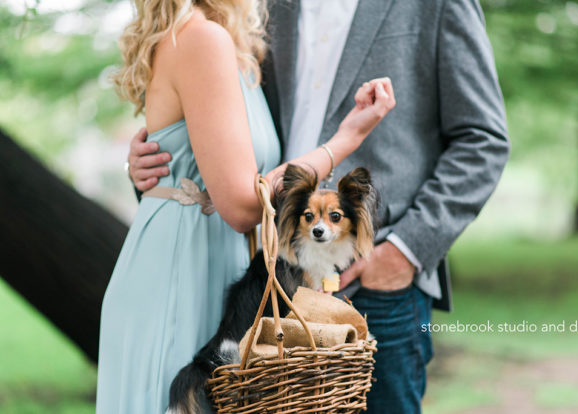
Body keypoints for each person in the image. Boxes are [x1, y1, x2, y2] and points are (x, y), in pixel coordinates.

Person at [128, 0, 510, 412]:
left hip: (375, 280)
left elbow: (483, 140)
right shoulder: (260, 8)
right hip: (270, 285)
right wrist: (159, 167)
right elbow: (224, 133)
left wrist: (405, 250)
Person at [97, 0, 395, 412]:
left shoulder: (233, 47)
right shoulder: (202, 37)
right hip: (182, 269)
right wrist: (347, 138)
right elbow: (240, 205)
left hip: (214, 258)